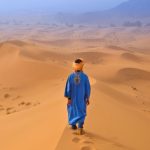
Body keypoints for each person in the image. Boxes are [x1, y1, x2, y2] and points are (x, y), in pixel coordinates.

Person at [64, 58, 91, 135]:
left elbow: (68, 88)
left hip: (72, 99)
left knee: (72, 111)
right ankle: (80, 127)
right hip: (81, 99)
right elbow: (87, 88)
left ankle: (73, 125)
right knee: (81, 111)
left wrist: (69, 98)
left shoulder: (70, 76)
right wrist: (87, 98)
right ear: (81, 66)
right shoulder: (85, 77)